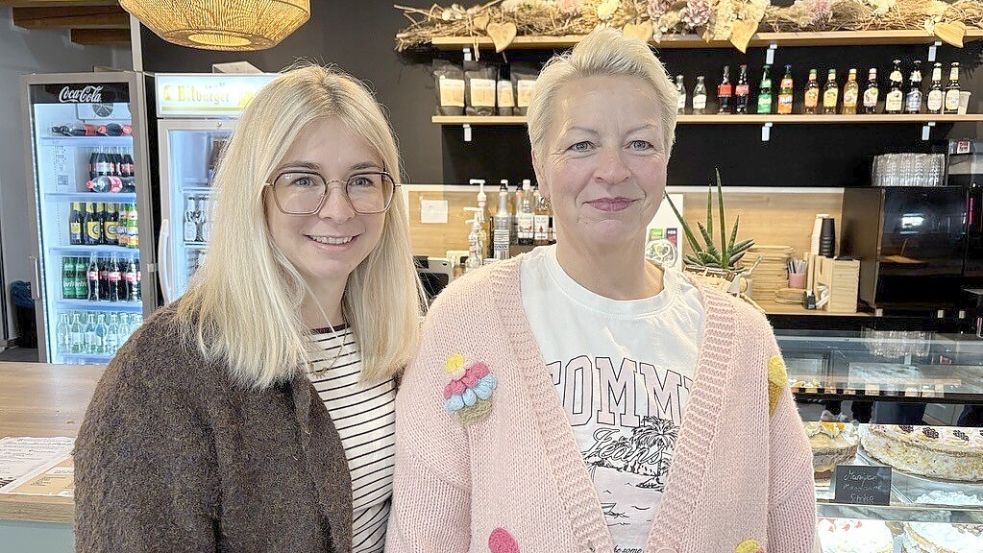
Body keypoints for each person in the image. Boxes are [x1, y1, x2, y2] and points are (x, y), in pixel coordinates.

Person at [388, 29, 816, 553]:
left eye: (640, 144)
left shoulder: (744, 339)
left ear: (665, 161)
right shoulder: (466, 321)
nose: (612, 171)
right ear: (540, 167)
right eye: (582, 144)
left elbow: (790, 518)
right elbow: (423, 531)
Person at [74, 65, 421, 553]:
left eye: (362, 180)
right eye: (304, 179)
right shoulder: (165, 369)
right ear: (254, 193)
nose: (339, 210)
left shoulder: (395, 346)